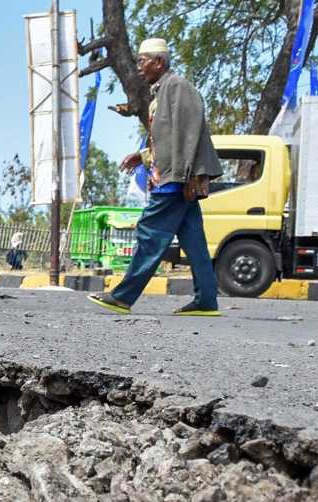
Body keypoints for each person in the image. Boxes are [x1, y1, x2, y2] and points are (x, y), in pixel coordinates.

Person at [90, 39, 223, 317]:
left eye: (143, 61)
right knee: (194, 242)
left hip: (174, 179)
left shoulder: (177, 87)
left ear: (159, 62)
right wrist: (142, 156)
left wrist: (185, 175)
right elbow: (165, 139)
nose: (139, 67)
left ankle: (123, 297)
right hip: (176, 175)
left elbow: (189, 132)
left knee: (150, 232)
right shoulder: (162, 91)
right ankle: (206, 301)